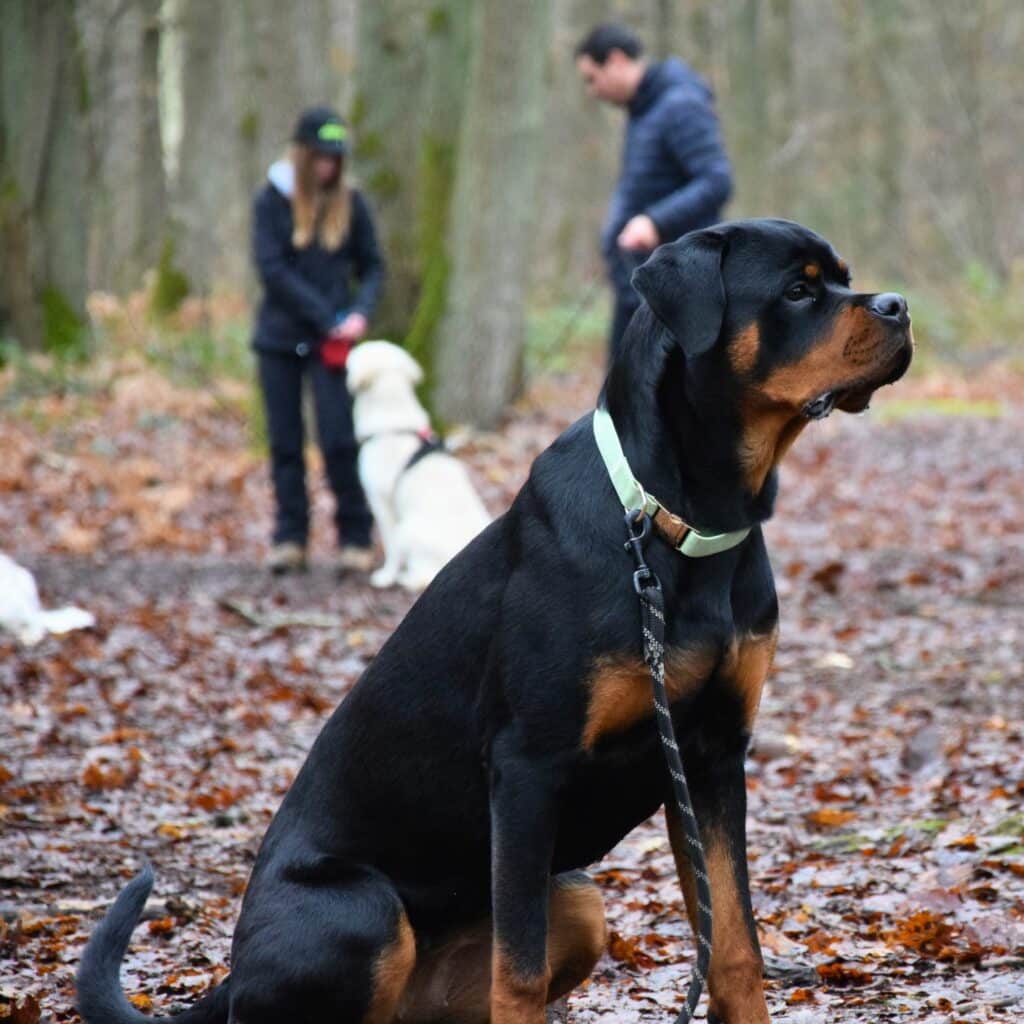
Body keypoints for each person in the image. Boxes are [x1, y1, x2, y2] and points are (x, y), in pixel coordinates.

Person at [252, 106, 385, 575]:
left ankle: (355, 538)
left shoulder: (353, 204)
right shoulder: (271, 202)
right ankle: (290, 538)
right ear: (304, 156)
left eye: (335, 158)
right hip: (279, 340)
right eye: (320, 158)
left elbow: (372, 265)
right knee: (286, 444)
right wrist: (324, 315)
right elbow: (272, 270)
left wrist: (358, 313)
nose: (328, 167)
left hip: (334, 347)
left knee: (339, 440)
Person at [575, 23, 733, 360]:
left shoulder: (679, 105)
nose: (592, 90)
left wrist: (654, 221)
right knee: (618, 397)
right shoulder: (645, 110)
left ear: (616, 61)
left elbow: (716, 180)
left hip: (675, 292)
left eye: (592, 77)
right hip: (640, 288)